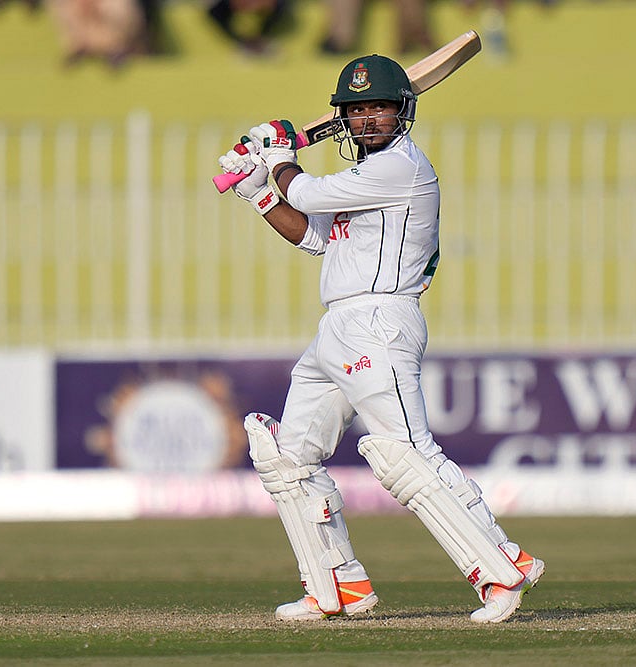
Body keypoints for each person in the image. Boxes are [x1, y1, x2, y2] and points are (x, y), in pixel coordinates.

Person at [217, 54, 544, 623]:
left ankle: (503, 569)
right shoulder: (364, 179)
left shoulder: (401, 167)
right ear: (343, 118)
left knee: (404, 453)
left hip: (380, 321)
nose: (368, 118)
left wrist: (279, 156)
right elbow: (315, 235)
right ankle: (337, 587)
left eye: (380, 107)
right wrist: (258, 191)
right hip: (337, 326)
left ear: (402, 111)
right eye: (357, 109)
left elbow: (308, 194)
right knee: (288, 456)